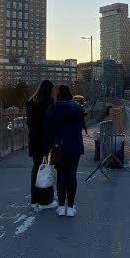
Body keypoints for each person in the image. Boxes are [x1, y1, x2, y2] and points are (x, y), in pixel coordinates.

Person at [43, 84, 85, 217]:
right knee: (72, 174)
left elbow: (48, 129)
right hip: (75, 145)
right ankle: (71, 208)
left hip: (58, 146)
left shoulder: (54, 108)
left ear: (59, 94)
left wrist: (46, 148)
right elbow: (81, 125)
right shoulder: (77, 107)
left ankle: (61, 207)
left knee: (61, 175)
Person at [26, 79, 57, 210]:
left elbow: (30, 124)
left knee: (36, 169)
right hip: (45, 140)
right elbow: (51, 123)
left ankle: (34, 200)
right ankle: (45, 200)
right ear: (49, 89)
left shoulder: (31, 102)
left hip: (34, 139)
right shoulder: (49, 102)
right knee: (46, 169)